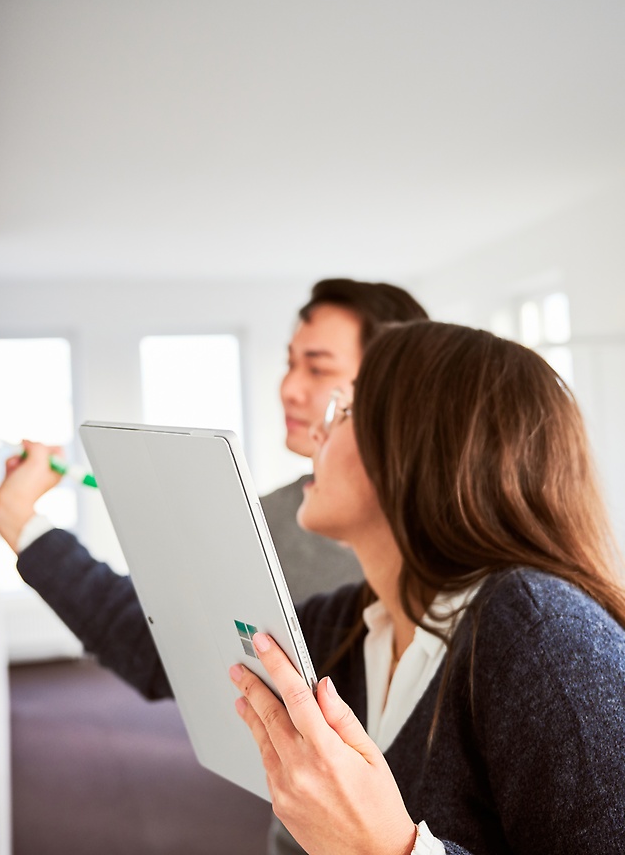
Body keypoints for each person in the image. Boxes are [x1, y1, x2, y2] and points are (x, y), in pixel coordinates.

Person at [0, 278, 429, 854]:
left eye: (318, 368)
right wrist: (23, 522)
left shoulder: (484, 586)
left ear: (396, 383)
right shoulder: (275, 517)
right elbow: (163, 644)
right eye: (289, 363)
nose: (290, 389)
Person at [227, 321, 625, 854]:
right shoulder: (353, 622)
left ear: (421, 446)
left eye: (343, 411)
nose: (317, 433)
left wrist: (389, 849)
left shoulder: (546, 638)